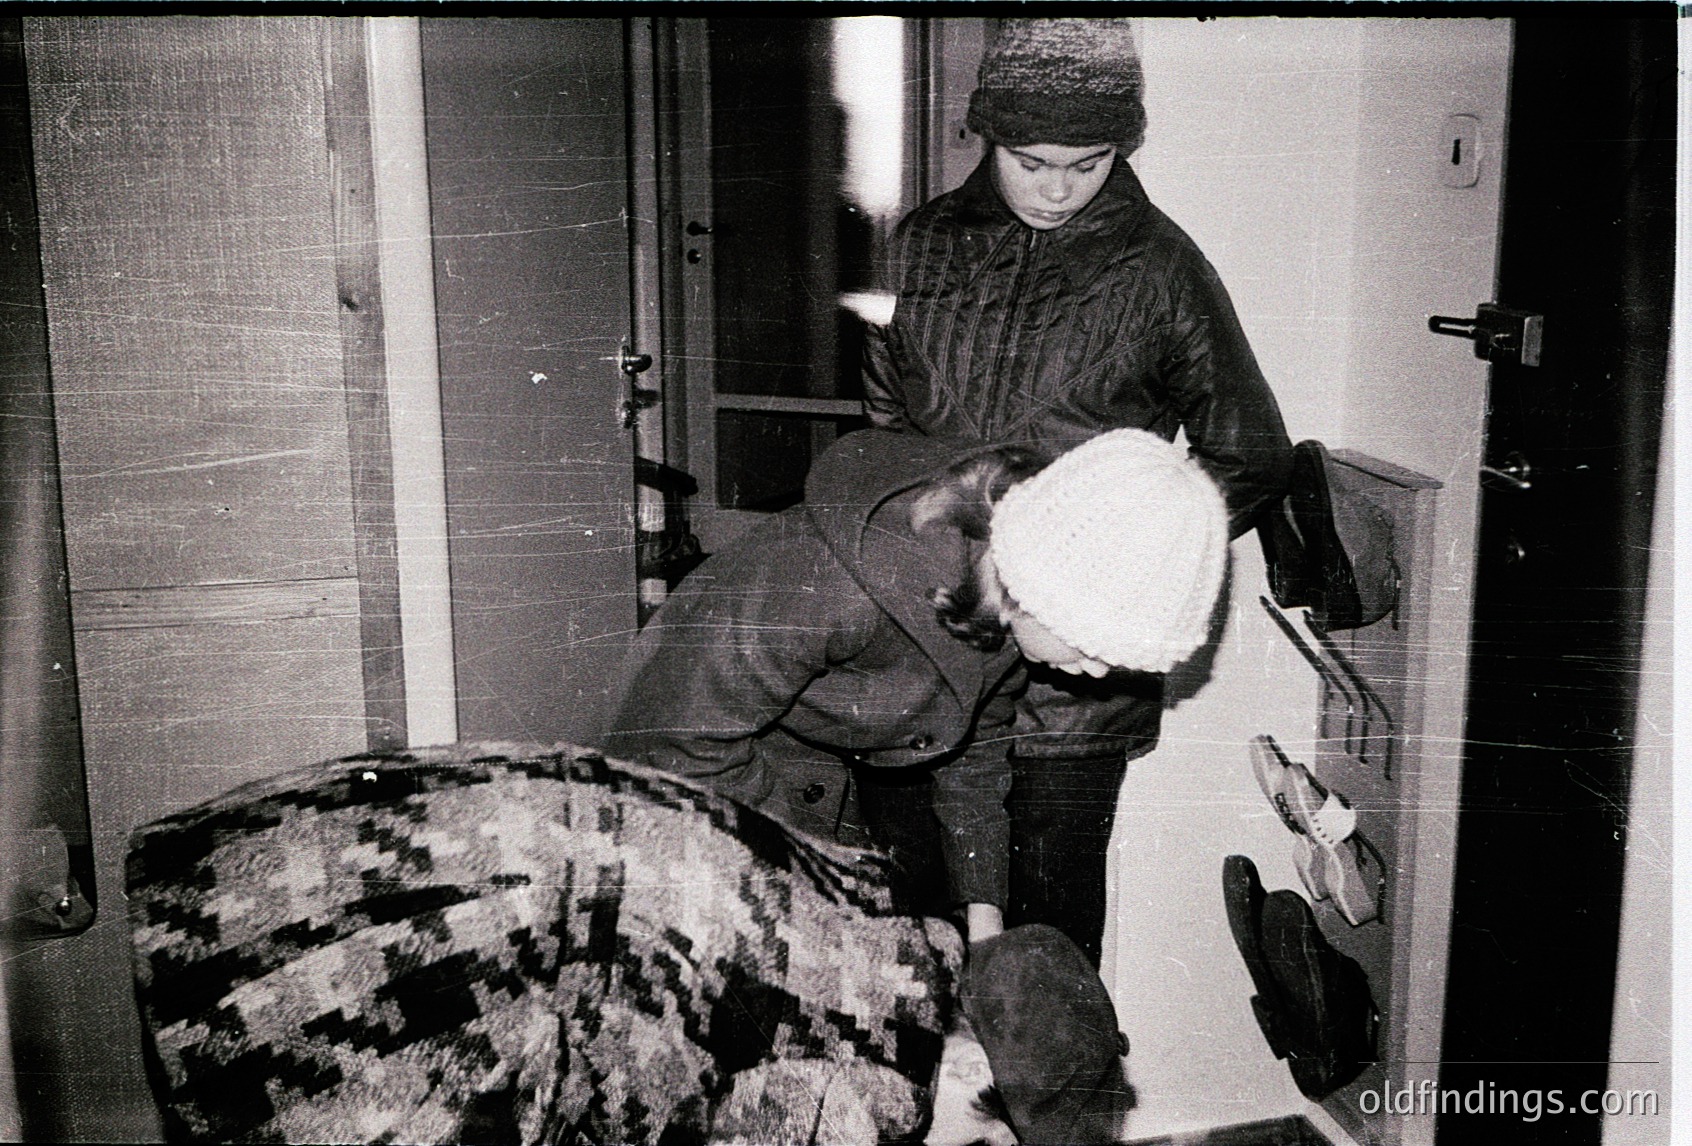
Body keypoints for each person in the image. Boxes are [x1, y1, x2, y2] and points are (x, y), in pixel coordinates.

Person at [860, 17, 1295, 963]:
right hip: (925, 650)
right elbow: (884, 436)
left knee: (1047, 955)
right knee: (911, 942)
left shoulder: (1162, 267)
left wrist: (1105, 570)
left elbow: (1252, 455)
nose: (1059, 188)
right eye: (1032, 159)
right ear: (987, 134)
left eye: (1088, 161)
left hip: (1072, 695)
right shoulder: (920, 245)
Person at [127, 740, 1128, 1145]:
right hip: (417, 949)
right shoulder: (860, 1085)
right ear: (960, 1061)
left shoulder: (865, 916)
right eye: (990, 1135)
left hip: (356, 854)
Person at [604, 425, 1229, 951]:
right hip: (693, 765)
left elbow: (978, 739)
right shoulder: (829, 584)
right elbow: (672, 738)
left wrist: (984, 920)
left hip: (800, 765)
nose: (1097, 676)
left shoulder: (1006, 584)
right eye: (1096, 650)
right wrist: (818, 865)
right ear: (1047, 589)